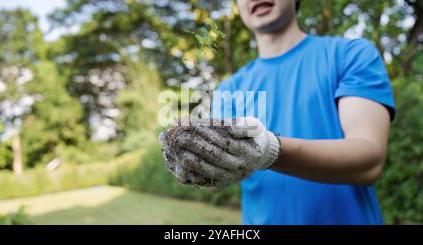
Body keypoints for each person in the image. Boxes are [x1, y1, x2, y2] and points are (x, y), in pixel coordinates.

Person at [160, 0, 396, 224]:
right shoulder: (229, 89)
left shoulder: (351, 55)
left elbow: (369, 162)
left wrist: (270, 150)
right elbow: (217, 180)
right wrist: (197, 159)